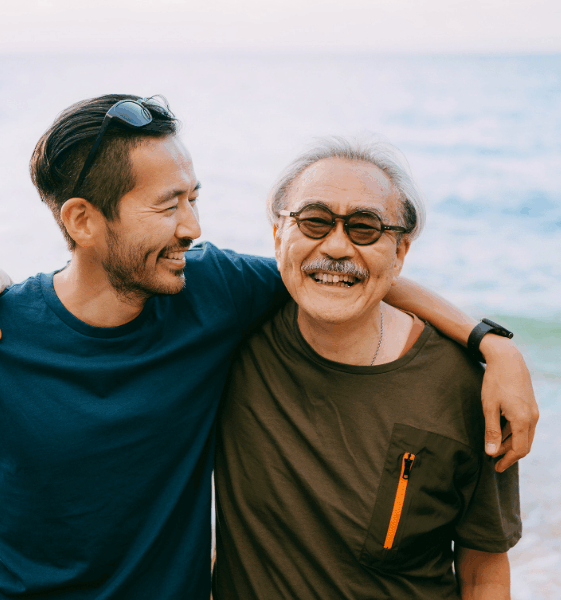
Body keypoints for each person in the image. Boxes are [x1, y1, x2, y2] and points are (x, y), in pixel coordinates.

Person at [0, 94, 536, 600]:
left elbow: (341, 270)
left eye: (194, 200)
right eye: (169, 206)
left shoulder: (212, 290)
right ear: (83, 220)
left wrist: (490, 343)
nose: (193, 228)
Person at [213, 137, 519, 599]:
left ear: (400, 253)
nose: (336, 246)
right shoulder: (229, 337)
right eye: (314, 221)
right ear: (279, 234)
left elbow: (484, 570)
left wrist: (495, 347)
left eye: (365, 227)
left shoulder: (467, 388)